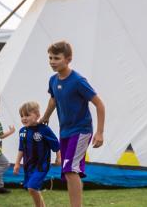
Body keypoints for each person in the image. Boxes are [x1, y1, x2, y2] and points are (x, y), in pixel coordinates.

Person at [39, 41, 107, 207]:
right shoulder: (53, 80)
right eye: (50, 58)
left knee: (70, 170)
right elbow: (53, 99)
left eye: (56, 58)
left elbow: (100, 104)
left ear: (68, 59)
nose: (52, 61)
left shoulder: (78, 81)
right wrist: (45, 117)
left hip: (81, 131)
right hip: (65, 132)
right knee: (69, 172)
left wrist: (99, 132)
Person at [13, 102, 60, 207]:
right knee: (32, 189)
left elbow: (55, 143)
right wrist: (17, 164)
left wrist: (58, 156)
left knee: (32, 187)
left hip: (41, 165)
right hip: (28, 165)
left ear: (37, 115)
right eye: (22, 116)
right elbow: (21, 149)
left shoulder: (44, 129)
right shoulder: (22, 131)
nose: (24, 118)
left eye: (27, 115)